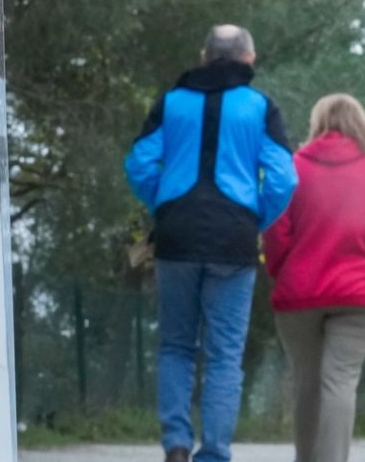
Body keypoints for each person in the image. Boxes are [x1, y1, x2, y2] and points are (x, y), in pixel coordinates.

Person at [125, 25, 298, 462]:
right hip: (233, 239)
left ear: (204, 55)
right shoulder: (261, 107)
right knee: (224, 354)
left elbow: (140, 164)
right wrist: (255, 217)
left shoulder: (171, 102)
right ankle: (215, 453)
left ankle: (177, 446)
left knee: (176, 346)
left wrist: (164, 205)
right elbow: (283, 178)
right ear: (249, 59)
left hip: (177, 234)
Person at [264, 94, 365, 462]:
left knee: (306, 384)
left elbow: (275, 230)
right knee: (339, 381)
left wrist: (284, 273)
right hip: (357, 297)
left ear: (318, 124)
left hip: (299, 294)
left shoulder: (294, 167)